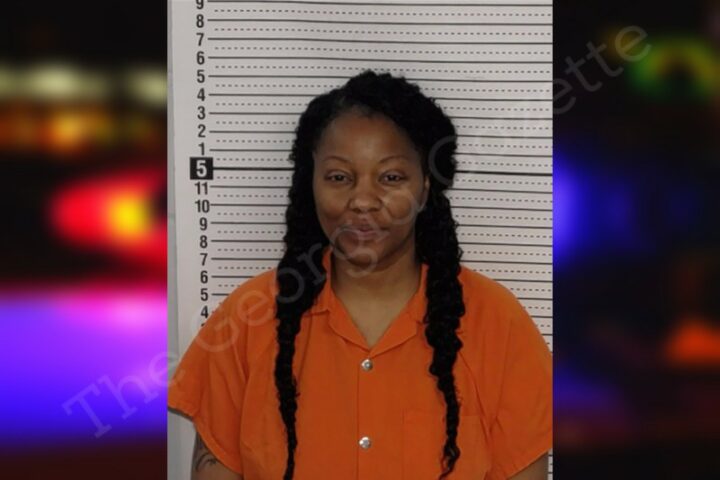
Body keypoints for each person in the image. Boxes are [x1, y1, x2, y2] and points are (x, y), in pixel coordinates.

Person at [168, 69, 552, 480]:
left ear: (425, 186)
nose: (363, 200)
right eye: (339, 177)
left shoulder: (497, 324)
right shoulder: (247, 321)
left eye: (391, 177)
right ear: (311, 184)